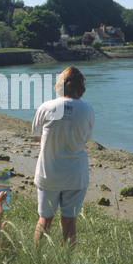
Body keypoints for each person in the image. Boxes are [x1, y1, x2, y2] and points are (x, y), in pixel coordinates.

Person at [32, 66, 95, 249]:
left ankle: (36, 261)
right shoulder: (88, 110)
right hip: (76, 174)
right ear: (81, 87)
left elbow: (38, 135)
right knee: (69, 221)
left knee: (45, 219)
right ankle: (66, 263)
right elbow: (85, 139)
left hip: (48, 171)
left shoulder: (46, 107)